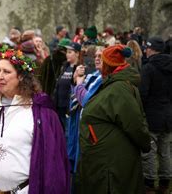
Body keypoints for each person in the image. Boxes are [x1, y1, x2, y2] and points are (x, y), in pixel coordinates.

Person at [0, 48, 69, 193]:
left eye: (6, 72)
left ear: (21, 76)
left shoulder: (40, 111)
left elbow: (53, 161)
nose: (0, 76)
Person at [76, 45, 151, 194]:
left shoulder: (119, 88)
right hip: (105, 161)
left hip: (112, 166)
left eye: (102, 59)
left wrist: (145, 143)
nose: (98, 62)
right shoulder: (112, 84)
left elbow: (134, 124)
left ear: (109, 65)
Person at [67, 46, 104, 189]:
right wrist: (76, 79)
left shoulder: (103, 79)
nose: (97, 58)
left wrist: (78, 83)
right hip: (77, 125)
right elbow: (75, 96)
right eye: (96, 55)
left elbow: (85, 100)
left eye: (101, 55)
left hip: (90, 132)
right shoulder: (93, 75)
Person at [140, 36, 172, 193]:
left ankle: (149, 183)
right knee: (165, 150)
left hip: (152, 114)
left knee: (150, 151)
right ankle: (165, 181)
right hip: (168, 114)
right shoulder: (170, 66)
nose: (145, 50)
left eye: (147, 48)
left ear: (152, 49)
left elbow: (143, 93)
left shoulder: (148, 68)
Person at [53, 42, 81, 128]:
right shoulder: (65, 66)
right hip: (60, 105)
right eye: (67, 52)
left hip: (69, 107)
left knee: (68, 131)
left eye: (70, 52)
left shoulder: (79, 68)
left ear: (77, 53)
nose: (67, 55)